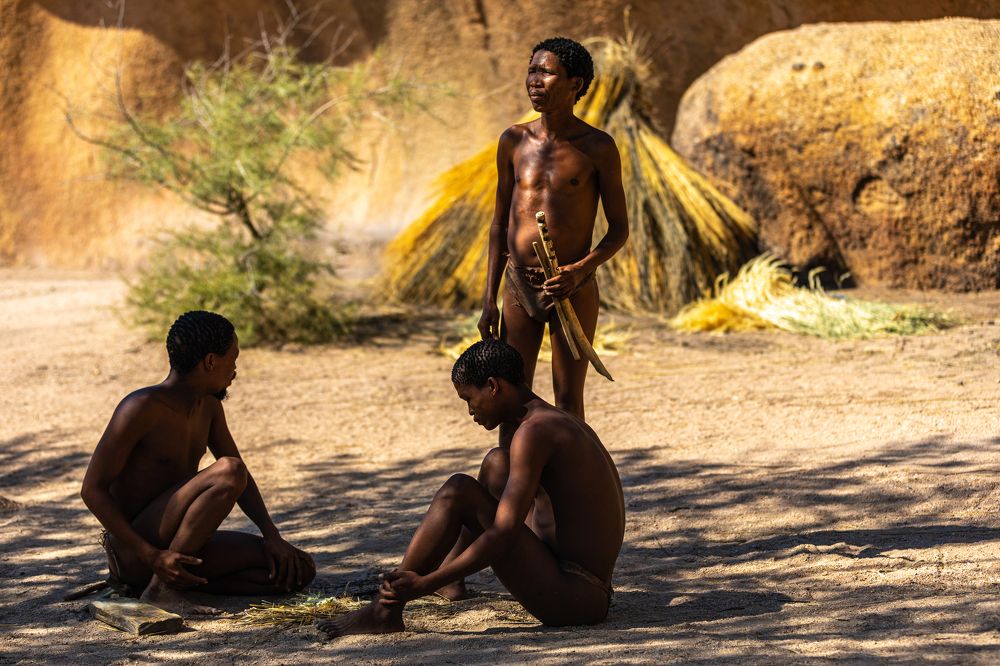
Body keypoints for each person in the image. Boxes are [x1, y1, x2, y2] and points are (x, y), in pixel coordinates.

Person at [317, 339, 624, 637]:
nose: (470, 411)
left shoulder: (534, 432)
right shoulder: (548, 418)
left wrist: (425, 583)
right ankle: (449, 581)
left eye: (468, 398)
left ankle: (386, 609)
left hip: (574, 598)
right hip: (580, 585)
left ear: (493, 386)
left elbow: (503, 534)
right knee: (496, 463)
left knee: (458, 491)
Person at [81, 310, 315, 615]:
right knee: (229, 470)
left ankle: (176, 581)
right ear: (210, 362)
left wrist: (272, 535)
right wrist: (150, 555)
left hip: (179, 549)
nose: (235, 371)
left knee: (296, 569)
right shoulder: (140, 407)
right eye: (233, 359)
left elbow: (243, 480)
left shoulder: (209, 406)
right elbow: (92, 490)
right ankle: (161, 588)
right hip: (136, 553)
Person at [478, 36, 629, 422]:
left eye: (546, 73)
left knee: (568, 400)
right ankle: (514, 466)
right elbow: (499, 224)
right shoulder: (514, 140)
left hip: (571, 287)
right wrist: (489, 299)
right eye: (531, 71)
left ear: (575, 84)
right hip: (518, 285)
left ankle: (576, 464)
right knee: (512, 397)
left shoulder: (597, 147)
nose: (534, 80)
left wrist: (579, 270)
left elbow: (619, 230)